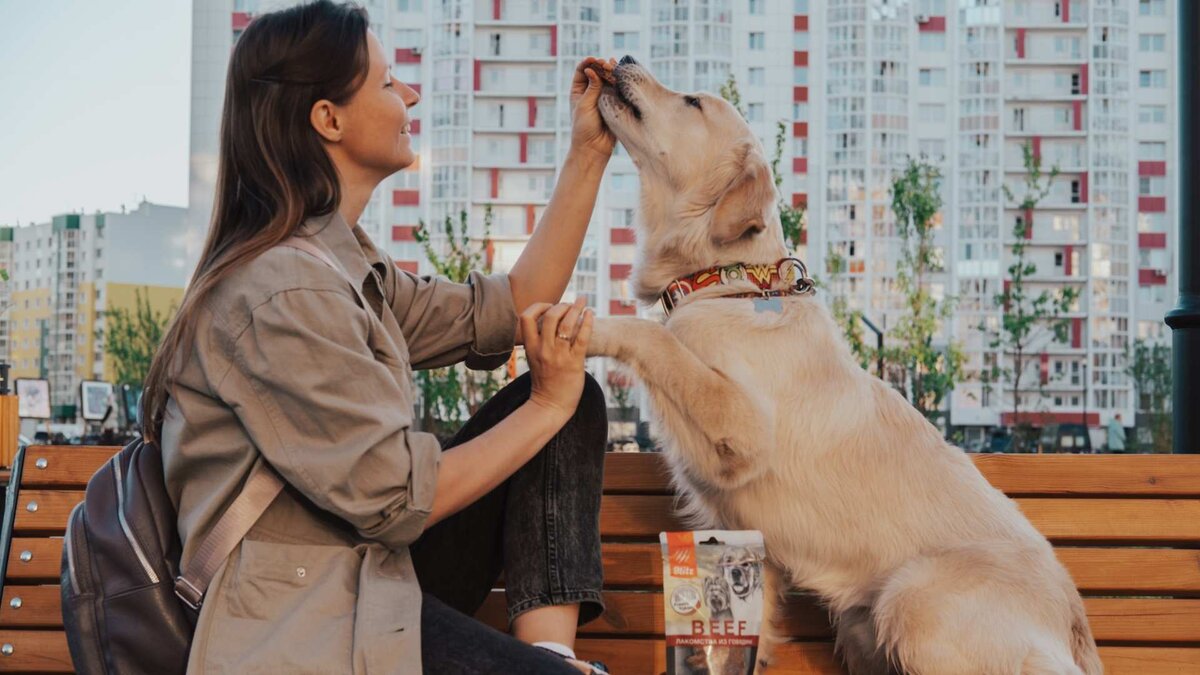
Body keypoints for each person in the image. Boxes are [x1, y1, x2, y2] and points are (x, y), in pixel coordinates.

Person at [140, 2, 618, 672]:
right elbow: (396, 499)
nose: (412, 94)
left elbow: (512, 305)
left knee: (579, 402)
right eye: (390, 83)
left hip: (374, 576)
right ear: (327, 118)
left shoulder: (342, 266)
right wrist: (545, 404)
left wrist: (589, 150)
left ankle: (552, 654)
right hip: (301, 617)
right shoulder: (280, 289)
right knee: (555, 406)